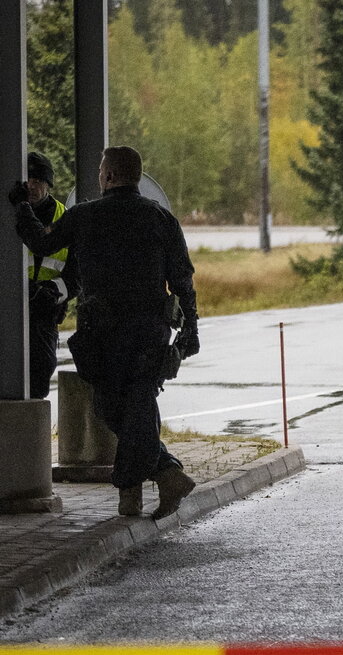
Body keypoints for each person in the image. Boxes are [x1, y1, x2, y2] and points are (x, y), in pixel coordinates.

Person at [10, 146, 200, 520]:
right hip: (150, 332)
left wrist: (21, 208)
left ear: (110, 176)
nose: (99, 177)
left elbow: (42, 242)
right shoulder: (162, 219)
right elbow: (183, 280)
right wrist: (190, 328)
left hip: (104, 332)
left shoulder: (86, 216)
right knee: (138, 407)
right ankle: (164, 475)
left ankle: (135, 491)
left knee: (116, 407)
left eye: (101, 172)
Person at [21, 152, 74, 399]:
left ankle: (31, 428)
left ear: (48, 184)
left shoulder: (66, 218)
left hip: (44, 312)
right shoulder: (9, 215)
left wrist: (54, 291)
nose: (31, 185)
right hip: (11, 310)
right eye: (27, 179)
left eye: (38, 180)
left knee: (41, 369)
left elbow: (77, 274)